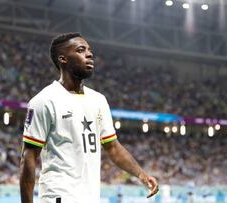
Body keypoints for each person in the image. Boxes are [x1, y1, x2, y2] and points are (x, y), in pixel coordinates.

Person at [19, 32, 159, 203]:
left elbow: (113, 147)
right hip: (59, 196)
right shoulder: (44, 101)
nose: (89, 54)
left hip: (90, 197)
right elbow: (29, 156)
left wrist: (141, 174)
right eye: (80, 50)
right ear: (63, 59)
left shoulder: (98, 100)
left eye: (89, 50)